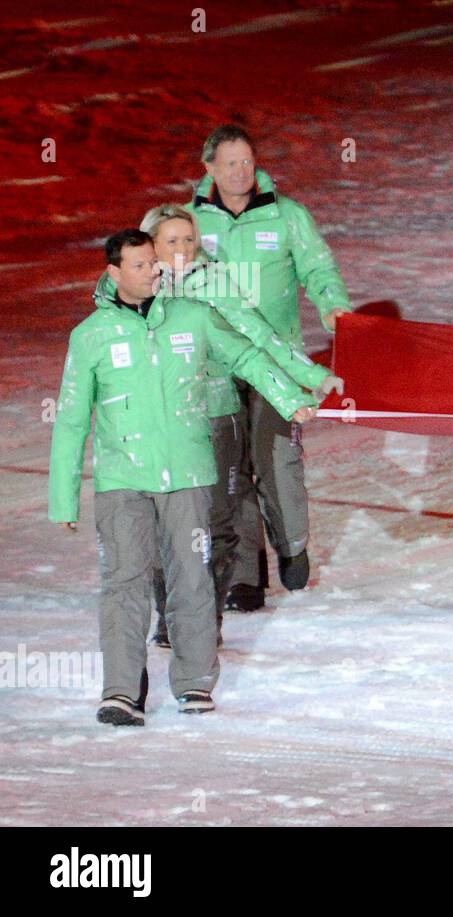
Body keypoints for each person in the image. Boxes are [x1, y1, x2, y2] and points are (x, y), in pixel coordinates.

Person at [49, 230, 319, 726]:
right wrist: (63, 499)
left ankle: (194, 683)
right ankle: (121, 692)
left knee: (192, 577)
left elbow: (245, 356)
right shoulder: (90, 336)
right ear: (114, 273)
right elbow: (70, 419)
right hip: (122, 479)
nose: (154, 271)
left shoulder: (191, 317)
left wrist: (288, 397)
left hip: (189, 473)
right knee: (124, 583)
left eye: (155, 262)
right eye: (140, 265)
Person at [113, 204, 344, 647]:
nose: (182, 249)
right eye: (171, 241)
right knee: (163, 522)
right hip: (160, 426)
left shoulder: (213, 282)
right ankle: (170, 614)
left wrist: (307, 381)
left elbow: (256, 340)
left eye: (188, 240)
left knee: (215, 526)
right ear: (150, 247)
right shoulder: (128, 296)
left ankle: (203, 619)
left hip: (217, 416)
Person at [188, 124, 351, 610]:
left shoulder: (287, 216)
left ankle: (292, 544)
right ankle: (244, 577)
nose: (241, 172)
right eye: (231, 163)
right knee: (229, 470)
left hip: (276, 361)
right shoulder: (191, 223)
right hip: (215, 363)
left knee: (277, 459)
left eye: (248, 162)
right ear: (209, 168)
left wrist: (333, 306)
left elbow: (319, 268)